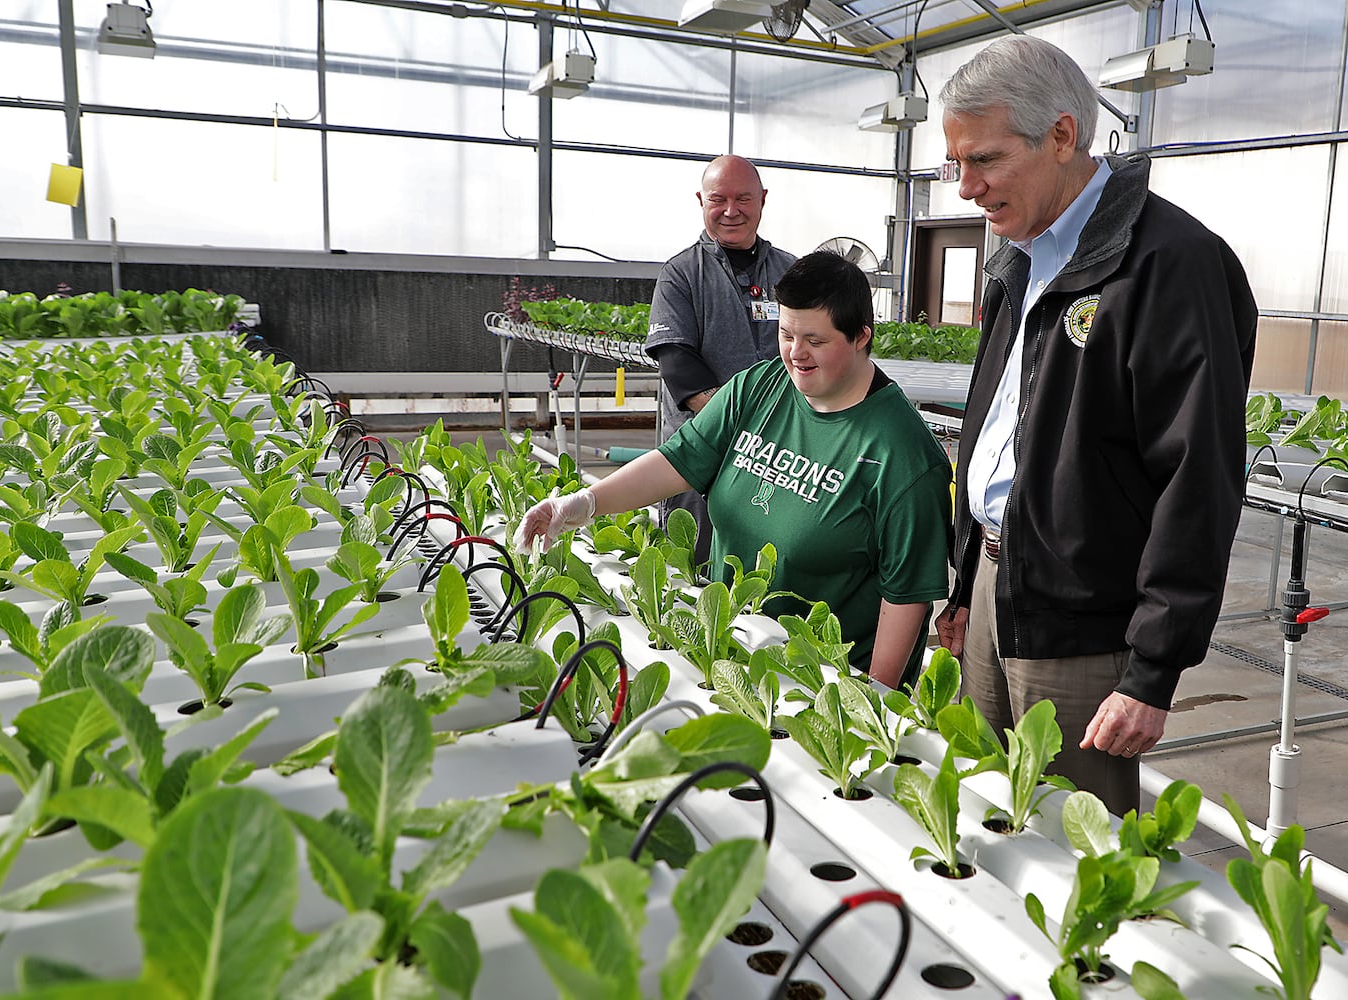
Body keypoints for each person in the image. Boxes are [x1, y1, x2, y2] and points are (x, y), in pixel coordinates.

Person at [932, 35, 1257, 814]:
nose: (966, 188)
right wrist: (967, 577)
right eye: (957, 164)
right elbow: (1002, 421)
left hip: (1084, 620)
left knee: (1075, 848)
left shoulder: (1167, 262)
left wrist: (1152, 670)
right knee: (981, 818)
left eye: (985, 160)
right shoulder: (1020, 253)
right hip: (995, 581)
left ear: (1062, 135)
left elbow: (1198, 475)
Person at [521, 251, 952, 689]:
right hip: (724, 655)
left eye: (815, 341)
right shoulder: (759, 386)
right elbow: (680, 458)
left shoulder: (904, 455)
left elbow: (906, 597)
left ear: (861, 336)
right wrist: (586, 503)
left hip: (815, 689)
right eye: (786, 334)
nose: (796, 354)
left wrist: (872, 697)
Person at [645, 154, 797, 565]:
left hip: (782, 464)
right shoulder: (680, 274)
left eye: (743, 199)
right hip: (702, 464)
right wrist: (749, 437)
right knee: (696, 578)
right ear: (701, 200)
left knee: (770, 576)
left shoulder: (792, 273)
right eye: (719, 199)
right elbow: (680, 368)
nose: (731, 211)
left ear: (763, 200)